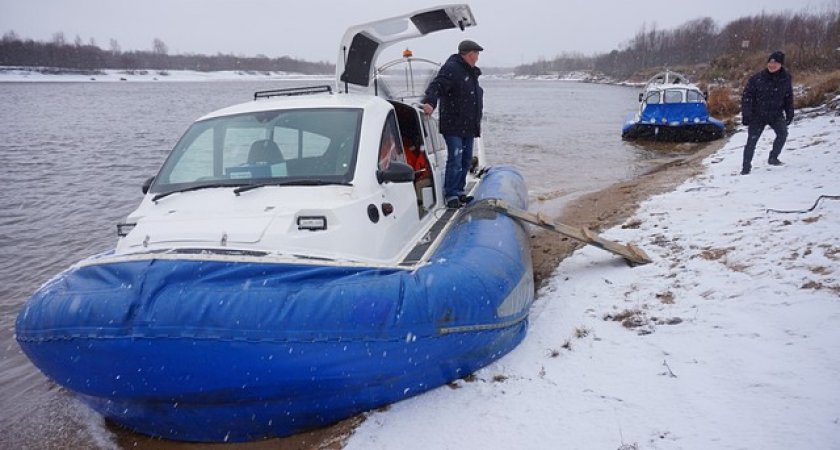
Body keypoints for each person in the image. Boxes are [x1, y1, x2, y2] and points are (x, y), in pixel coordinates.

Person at [421, 39, 484, 208]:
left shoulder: (471, 73)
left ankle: (459, 190)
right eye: (476, 54)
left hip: (469, 126)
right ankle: (451, 194)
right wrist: (430, 102)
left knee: (465, 160)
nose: (477, 57)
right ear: (470, 54)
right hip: (454, 124)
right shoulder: (452, 68)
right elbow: (436, 86)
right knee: (455, 159)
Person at [740, 50, 794, 175]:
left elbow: (788, 97)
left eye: (775, 63)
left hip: (776, 114)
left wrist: (790, 113)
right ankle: (746, 167)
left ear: (781, 65)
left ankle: (773, 157)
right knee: (751, 141)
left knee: (783, 134)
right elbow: (747, 97)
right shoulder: (756, 78)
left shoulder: (786, 78)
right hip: (757, 115)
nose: (772, 65)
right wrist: (746, 114)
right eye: (770, 62)